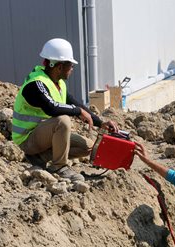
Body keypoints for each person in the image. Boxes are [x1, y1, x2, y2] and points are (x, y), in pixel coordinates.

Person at [11, 38, 119, 183]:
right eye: (70, 65)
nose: (72, 69)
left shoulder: (58, 83)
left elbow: (75, 104)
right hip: (26, 140)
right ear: (59, 67)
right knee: (63, 120)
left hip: (43, 136)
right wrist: (77, 111)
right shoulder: (36, 84)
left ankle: (40, 158)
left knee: (88, 147)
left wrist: (101, 122)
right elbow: (52, 108)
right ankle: (58, 167)